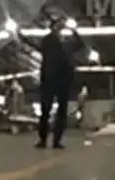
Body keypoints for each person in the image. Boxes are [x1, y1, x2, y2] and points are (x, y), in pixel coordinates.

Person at [20, 18, 85, 149]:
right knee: (50, 111)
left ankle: (50, 140)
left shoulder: (64, 43)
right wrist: (22, 37)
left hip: (57, 80)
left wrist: (73, 30)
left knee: (53, 111)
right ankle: (49, 140)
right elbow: (36, 46)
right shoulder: (50, 41)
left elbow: (80, 45)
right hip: (55, 80)